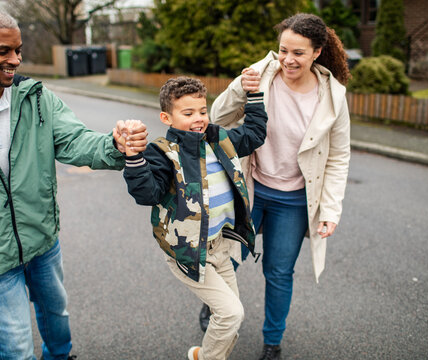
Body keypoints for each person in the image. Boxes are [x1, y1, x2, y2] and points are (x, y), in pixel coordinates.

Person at [0, 7, 147, 360]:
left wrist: (115, 144)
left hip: (42, 238)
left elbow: (77, 140)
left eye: (18, 50)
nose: (15, 60)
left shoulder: (35, 97)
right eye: (3, 51)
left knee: (57, 320)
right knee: (16, 349)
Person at [209, 13, 351, 360]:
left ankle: (272, 342)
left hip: (293, 201)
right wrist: (239, 88)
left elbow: (338, 156)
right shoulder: (261, 75)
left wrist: (330, 210)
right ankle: (219, 310)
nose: (289, 59)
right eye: (284, 50)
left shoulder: (332, 95)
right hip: (250, 189)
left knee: (279, 273)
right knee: (228, 259)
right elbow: (217, 118)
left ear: (317, 52)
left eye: (299, 53)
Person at [117, 76, 267, 360]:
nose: (198, 119)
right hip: (189, 252)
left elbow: (254, 134)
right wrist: (134, 158)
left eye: (202, 111)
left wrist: (255, 96)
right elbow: (147, 194)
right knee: (231, 313)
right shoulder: (163, 153)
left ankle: (202, 355)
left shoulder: (220, 139)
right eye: (188, 113)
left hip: (221, 247)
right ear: (167, 117)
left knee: (232, 317)